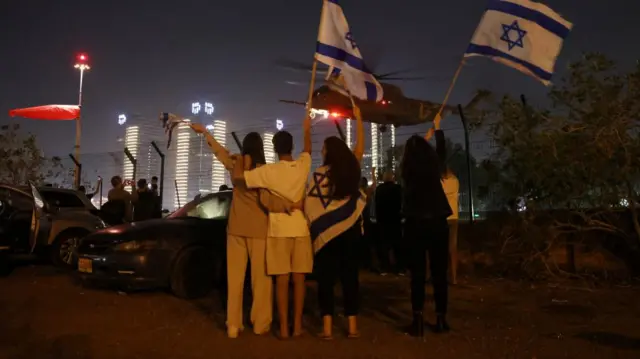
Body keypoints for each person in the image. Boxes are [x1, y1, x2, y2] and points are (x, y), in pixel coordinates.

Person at [190, 123, 297, 339]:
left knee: (235, 279)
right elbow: (267, 200)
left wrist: (205, 133)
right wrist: (287, 206)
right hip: (259, 230)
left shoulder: (237, 163)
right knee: (261, 280)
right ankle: (260, 323)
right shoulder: (264, 172)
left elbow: (220, 153)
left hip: (236, 229)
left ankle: (233, 325)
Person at [232, 120, 312, 339]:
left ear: (274, 149)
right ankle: (297, 326)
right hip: (301, 230)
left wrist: (242, 159)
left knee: (281, 281)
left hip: (278, 231)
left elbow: (242, 179)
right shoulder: (302, 166)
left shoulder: (268, 171)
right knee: (299, 280)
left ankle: (284, 328)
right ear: (291, 147)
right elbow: (308, 150)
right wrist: (306, 128)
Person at [304, 104, 367, 340]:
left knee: (326, 280)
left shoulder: (319, 175)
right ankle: (352, 328)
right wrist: (359, 120)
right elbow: (359, 148)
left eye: (323, 149)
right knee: (351, 278)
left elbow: (310, 204)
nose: (321, 152)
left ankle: (328, 329)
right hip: (350, 231)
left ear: (329, 152)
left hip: (326, 236)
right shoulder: (351, 170)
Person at [401, 128, 453, 337]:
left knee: (418, 275)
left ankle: (418, 320)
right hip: (438, 221)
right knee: (440, 273)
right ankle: (441, 319)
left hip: (415, 222)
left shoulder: (407, 169)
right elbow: (441, 153)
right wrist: (438, 132)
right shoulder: (434, 166)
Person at [427, 127, 460, 285]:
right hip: (454, 218)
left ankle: (434, 276)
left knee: (435, 248)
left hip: (441, 217)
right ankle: (453, 277)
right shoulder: (455, 182)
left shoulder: (439, 183)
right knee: (452, 249)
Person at [374, 171, 403, 275]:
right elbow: (401, 204)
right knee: (397, 245)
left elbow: (376, 205)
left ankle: (384, 268)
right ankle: (399, 268)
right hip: (395, 220)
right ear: (393, 178)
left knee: (384, 246)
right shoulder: (398, 189)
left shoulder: (379, 189)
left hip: (383, 221)